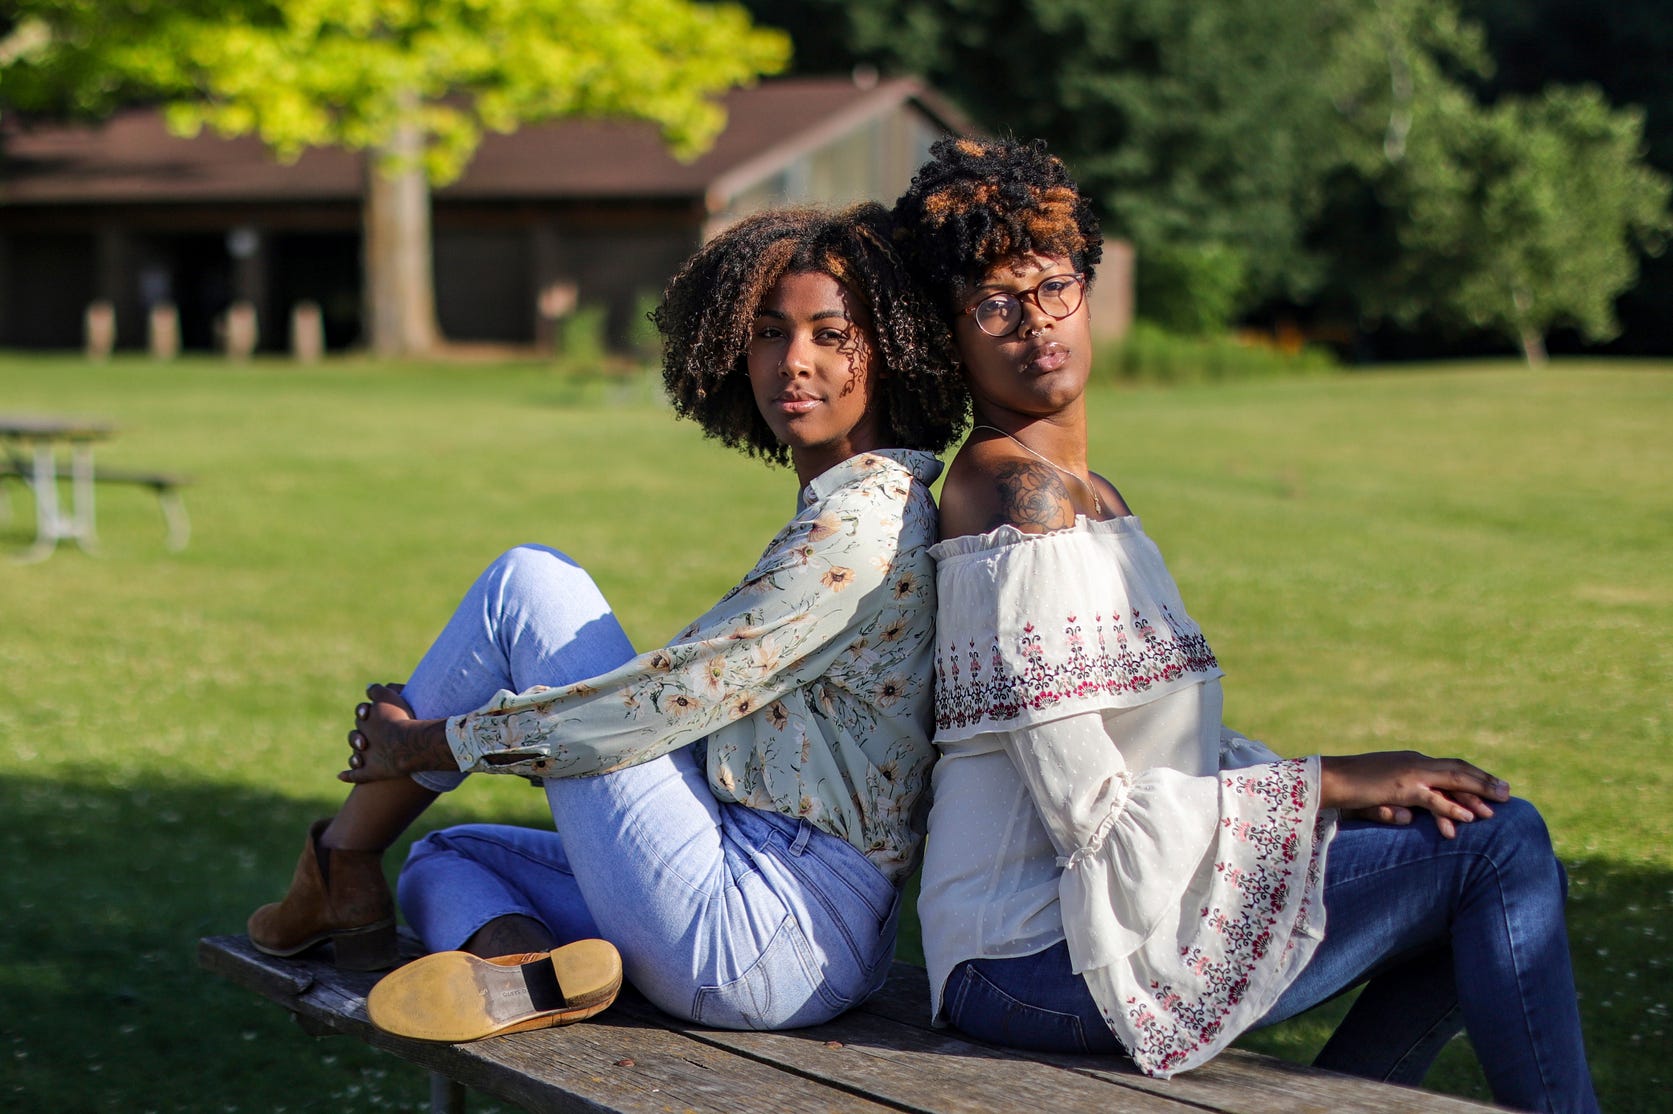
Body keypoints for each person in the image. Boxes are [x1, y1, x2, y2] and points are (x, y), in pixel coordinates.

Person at [890, 137, 1597, 1114]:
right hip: (1026, 952)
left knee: (1464, 838)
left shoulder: (1088, 495)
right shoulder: (1018, 501)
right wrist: (1330, 780)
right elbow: (1094, 814)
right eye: (992, 306)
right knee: (1496, 847)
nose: (1033, 325)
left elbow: (1163, 746)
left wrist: (1339, 803)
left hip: (1073, 925)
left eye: (1051, 288)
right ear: (952, 337)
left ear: (1084, 290)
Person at [245, 203, 967, 1042]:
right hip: (796, 931)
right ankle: (523, 965)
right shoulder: (862, 506)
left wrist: (432, 744)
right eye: (769, 332)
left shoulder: (860, 528)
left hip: (763, 925)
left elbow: (661, 706)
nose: (792, 362)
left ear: (896, 350)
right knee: (448, 856)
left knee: (529, 584)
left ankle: (338, 863)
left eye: (829, 335)